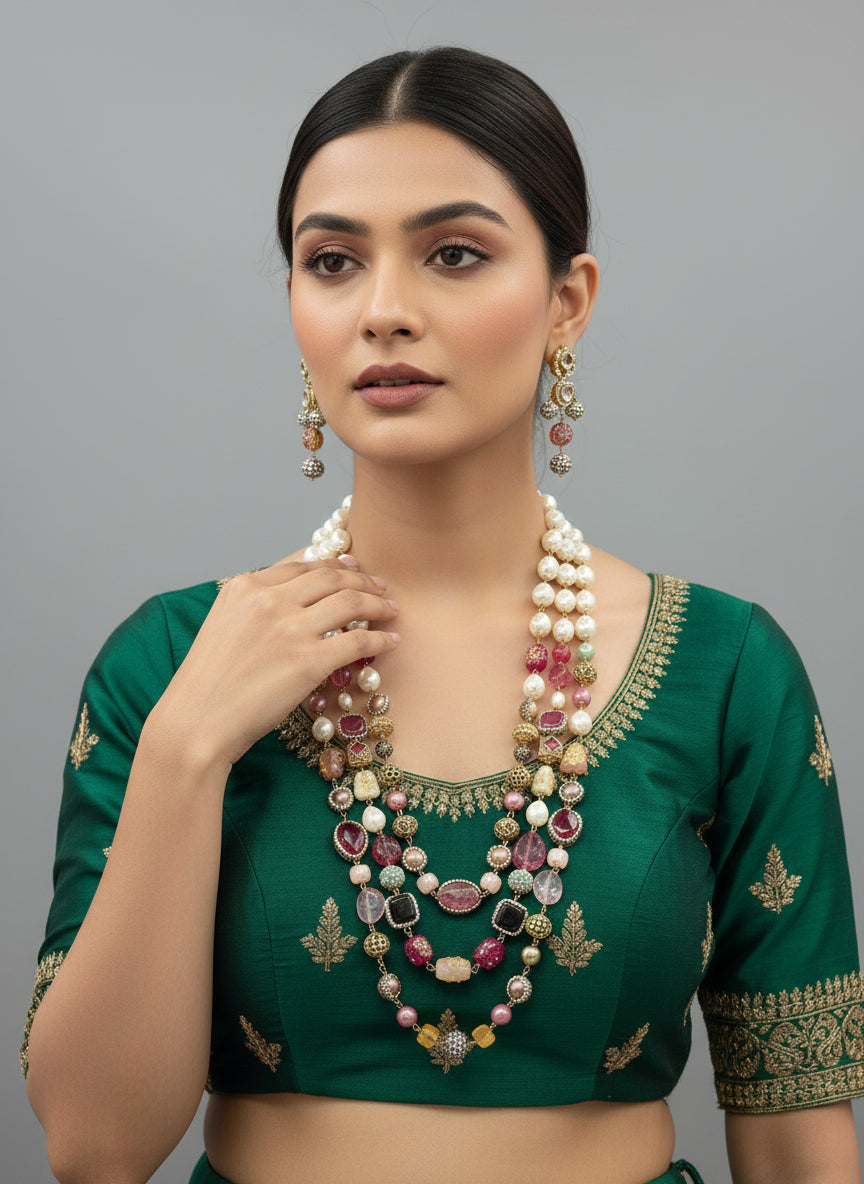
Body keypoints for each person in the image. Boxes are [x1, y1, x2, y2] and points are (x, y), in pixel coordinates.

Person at [21, 46, 863, 1184]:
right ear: (293, 307)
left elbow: (799, 1138)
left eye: (453, 254)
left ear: (569, 301)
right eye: (332, 261)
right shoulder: (177, 661)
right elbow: (92, 1144)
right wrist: (186, 747)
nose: (384, 310)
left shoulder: (726, 669)